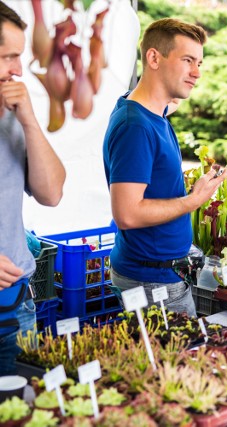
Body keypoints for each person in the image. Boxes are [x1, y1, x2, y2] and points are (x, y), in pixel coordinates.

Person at [103, 18, 227, 317]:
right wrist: (194, 200)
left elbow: (168, 101)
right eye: (187, 61)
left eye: (199, 62)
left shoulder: (150, 109)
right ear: (154, 58)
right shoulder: (136, 126)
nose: (197, 73)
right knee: (174, 361)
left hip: (159, 272)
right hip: (151, 283)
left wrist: (177, 85)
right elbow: (127, 214)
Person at [0, 1, 66, 376]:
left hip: (16, 309)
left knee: (27, 412)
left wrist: (28, 121)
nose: (18, 70)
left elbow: (52, 193)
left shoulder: (12, 117)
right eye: (8, 57)